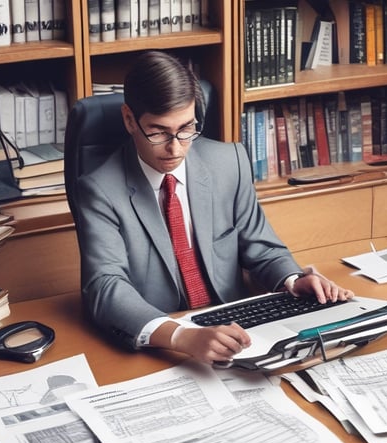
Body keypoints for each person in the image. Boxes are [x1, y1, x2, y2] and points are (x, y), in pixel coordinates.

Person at [72, 50, 353, 365]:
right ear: (129, 120)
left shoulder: (228, 162)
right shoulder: (99, 189)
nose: (175, 147)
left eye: (186, 129)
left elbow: (262, 249)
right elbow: (105, 286)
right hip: (163, 338)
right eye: (158, 132)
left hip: (236, 328)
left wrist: (293, 279)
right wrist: (182, 335)